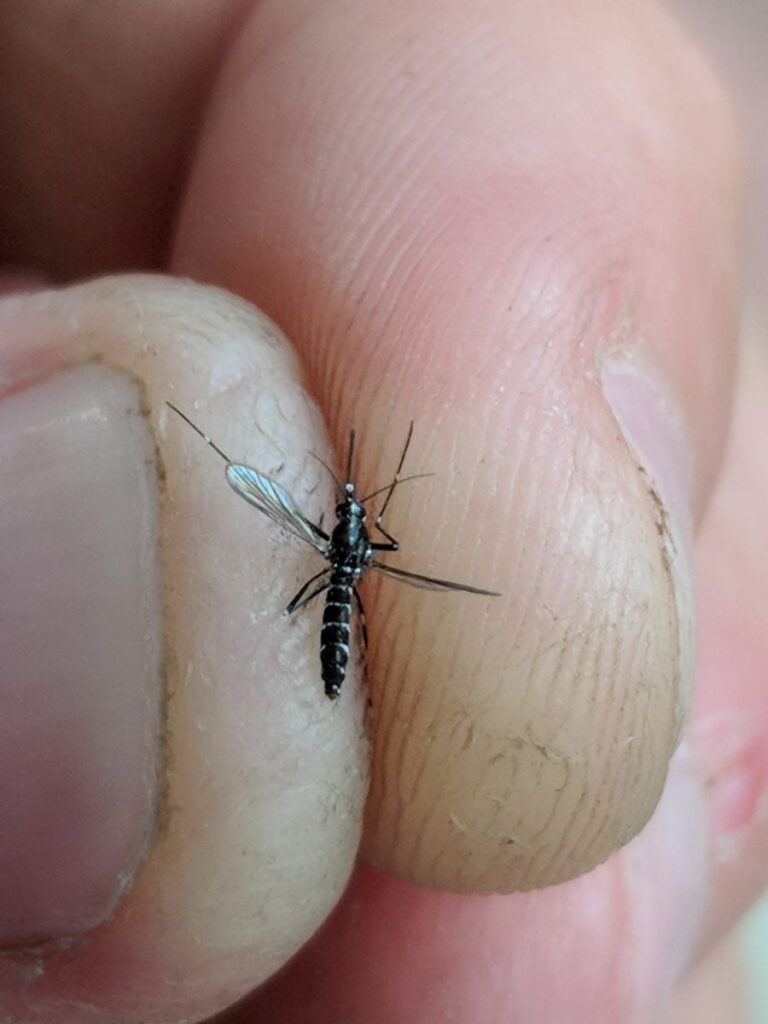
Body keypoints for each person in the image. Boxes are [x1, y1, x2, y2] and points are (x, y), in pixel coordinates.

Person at [0, 1, 764, 1021]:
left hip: (329, 587)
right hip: (333, 592)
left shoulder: (344, 542)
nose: (356, 512)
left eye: (359, 512)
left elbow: (340, 537)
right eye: (357, 511)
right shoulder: (359, 548)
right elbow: (355, 539)